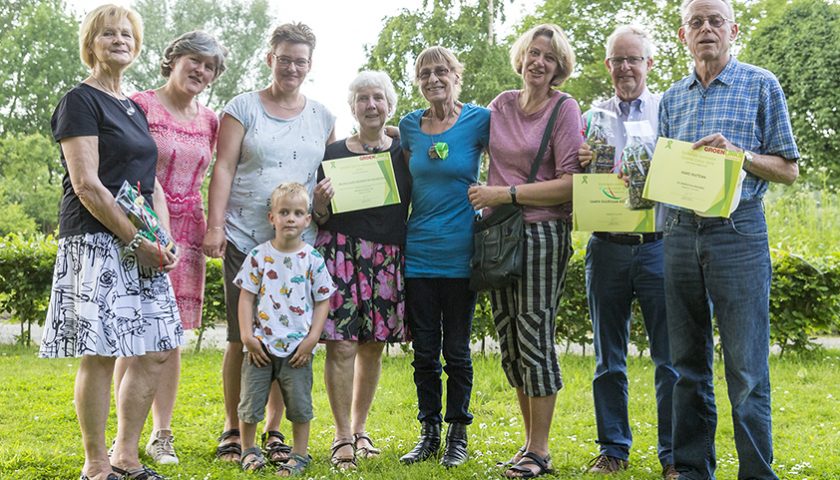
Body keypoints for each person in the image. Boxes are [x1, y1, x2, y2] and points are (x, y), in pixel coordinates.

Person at [38, 4, 180, 480]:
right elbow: (87, 185)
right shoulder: (79, 101)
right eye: (108, 34)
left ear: (137, 45)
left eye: (127, 34)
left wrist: (164, 238)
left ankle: (126, 455)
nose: (120, 40)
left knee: (157, 346)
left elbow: (152, 184)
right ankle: (97, 465)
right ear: (91, 44)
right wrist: (137, 239)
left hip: (142, 242)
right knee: (99, 352)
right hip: (96, 242)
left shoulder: (134, 107)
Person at [659, 1, 799, 478]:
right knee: (685, 365)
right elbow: (665, 173)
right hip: (678, 233)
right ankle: (694, 469)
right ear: (682, 35)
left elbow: (789, 169)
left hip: (738, 234)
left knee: (746, 370)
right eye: (695, 22)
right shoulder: (672, 97)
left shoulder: (761, 84)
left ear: (732, 29)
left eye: (715, 20)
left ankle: (757, 474)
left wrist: (741, 155)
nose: (705, 29)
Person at [203, 22, 336, 463]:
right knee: (244, 340)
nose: (292, 67)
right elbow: (222, 167)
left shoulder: (323, 116)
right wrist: (216, 226)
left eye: (300, 60)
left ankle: (276, 430)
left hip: (299, 247)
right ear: (269, 59)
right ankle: (234, 428)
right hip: (245, 238)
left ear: (310, 65)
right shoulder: (243, 108)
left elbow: (332, 176)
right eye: (285, 58)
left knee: (289, 331)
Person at [467, 24, 583, 478]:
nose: (539, 62)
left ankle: (541, 450)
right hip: (499, 237)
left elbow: (571, 183)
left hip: (541, 235)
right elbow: (456, 128)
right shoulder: (500, 104)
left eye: (549, 58)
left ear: (558, 68)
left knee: (534, 334)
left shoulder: (564, 108)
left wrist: (506, 194)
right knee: (510, 339)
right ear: (522, 57)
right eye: (534, 53)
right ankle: (528, 445)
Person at [112, 30, 227, 466]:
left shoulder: (210, 120)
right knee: (134, 333)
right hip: (142, 226)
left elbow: (220, 171)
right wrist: (149, 231)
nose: (201, 70)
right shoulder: (140, 105)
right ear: (173, 58)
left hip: (190, 231)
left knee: (170, 335)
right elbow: (126, 168)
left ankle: (162, 434)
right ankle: (124, 436)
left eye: (210, 66)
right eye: (194, 60)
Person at [576, 25, 679, 479]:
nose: (625, 68)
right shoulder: (591, 117)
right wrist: (579, 160)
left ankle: (674, 455)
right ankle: (613, 448)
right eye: (617, 60)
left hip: (659, 246)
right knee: (607, 357)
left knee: (670, 359)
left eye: (633, 59)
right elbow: (573, 179)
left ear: (649, 64)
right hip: (607, 248)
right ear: (607, 66)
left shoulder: (668, 109)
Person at [311, 71, 411, 469]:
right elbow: (319, 218)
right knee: (343, 345)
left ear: (389, 104)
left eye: (378, 98)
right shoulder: (332, 153)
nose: (371, 105)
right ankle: (341, 437)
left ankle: (361, 428)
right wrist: (319, 201)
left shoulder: (404, 151)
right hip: (341, 254)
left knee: (373, 347)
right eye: (363, 99)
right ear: (352, 107)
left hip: (387, 258)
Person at [397, 46, 490, 468]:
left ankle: (457, 433)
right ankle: (428, 431)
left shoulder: (478, 121)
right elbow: (399, 186)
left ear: (457, 76)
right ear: (418, 82)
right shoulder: (408, 127)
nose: (434, 79)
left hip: (461, 254)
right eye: (425, 73)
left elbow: (513, 159)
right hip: (418, 255)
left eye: (442, 71)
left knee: (457, 350)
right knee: (424, 352)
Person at [233, 182, 336, 476]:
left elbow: (323, 300)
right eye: (284, 212)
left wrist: (312, 339)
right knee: (251, 401)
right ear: (272, 218)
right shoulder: (258, 256)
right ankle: (249, 450)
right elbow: (246, 297)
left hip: (298, 349)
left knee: (300, 404)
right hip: (260, 346)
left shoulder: (312, 259)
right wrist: (246, 336)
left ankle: (300, 454)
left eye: (298, 213)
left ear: (307, 219)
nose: (290, 218)